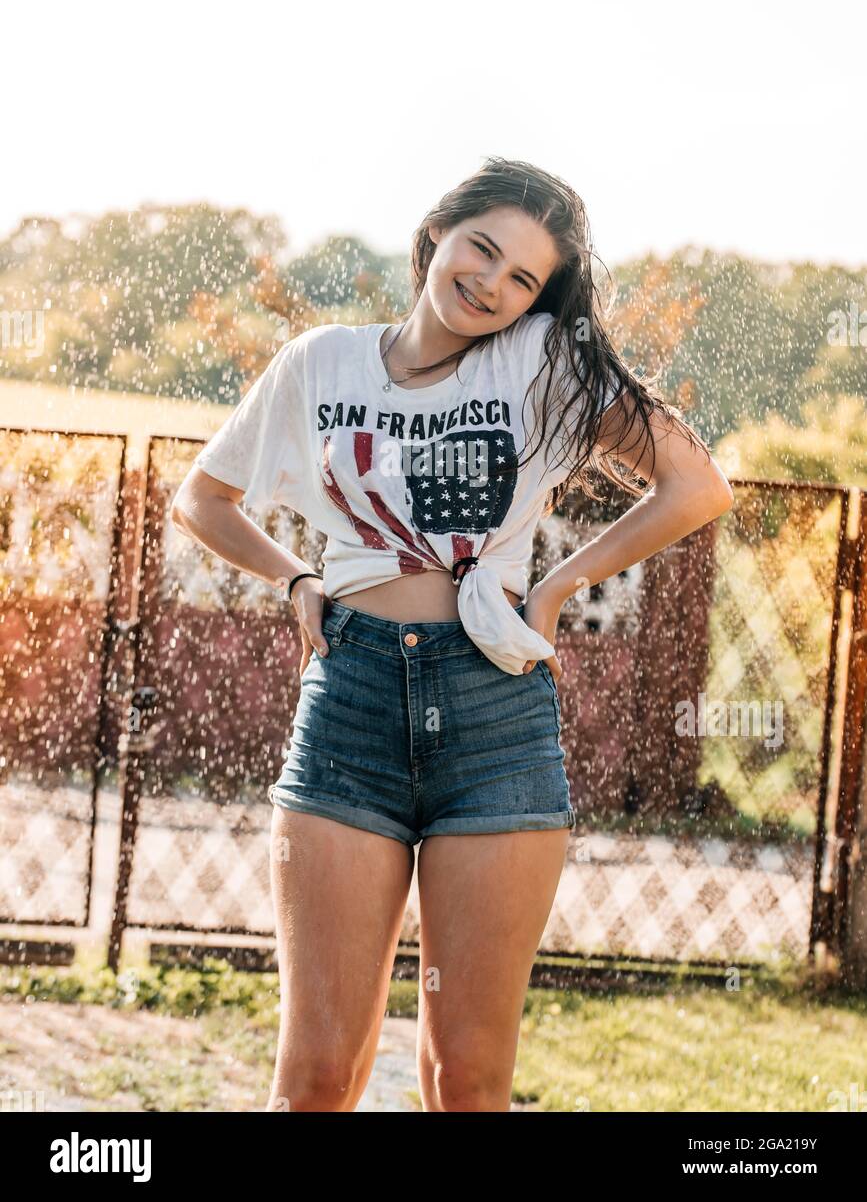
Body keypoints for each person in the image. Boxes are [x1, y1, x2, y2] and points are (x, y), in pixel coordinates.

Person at [170, 156, 734, 1111]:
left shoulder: (542, 360)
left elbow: (697, 486)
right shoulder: (321, 362)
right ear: (437, 233)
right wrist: (293, 574)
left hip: (495, 718)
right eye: (482, 249)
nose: (492, 284)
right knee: (315, 1076)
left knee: (467, 1076)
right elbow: (202, 499)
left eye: (522, 278)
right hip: (349, 706)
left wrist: (556, 587)